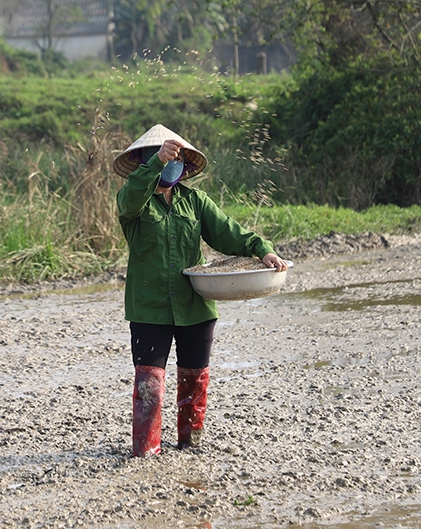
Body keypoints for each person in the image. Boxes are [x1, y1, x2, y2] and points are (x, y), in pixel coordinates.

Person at [113, 124, 289, 457]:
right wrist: (155, 165)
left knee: (194, 379)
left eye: (174, 158)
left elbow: (229, 234)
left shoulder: (194, 202)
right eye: (162, 157)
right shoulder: (134, 204)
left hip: (195, 305)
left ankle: (190, 445)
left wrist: (261, 249)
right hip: (149, 308)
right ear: (143, 163)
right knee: (149, 384)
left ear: (184, 164)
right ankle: (146, 451)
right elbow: (130, 198)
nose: (169, 164)